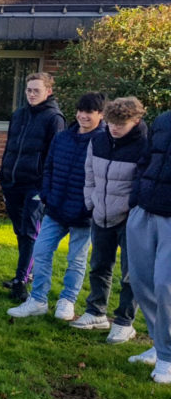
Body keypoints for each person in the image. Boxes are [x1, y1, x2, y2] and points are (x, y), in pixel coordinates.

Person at [8, 93, 107, 321]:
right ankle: (38, 300)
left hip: (84, 215)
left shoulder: (103, 142)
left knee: (77, 260)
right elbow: (49, 167)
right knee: (41, 252)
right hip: (55, 209)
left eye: (89, 112)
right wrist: (46, 195)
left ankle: (67, 301)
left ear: (100, 115)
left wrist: (91, 206)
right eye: (80, 111)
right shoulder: (63, 137)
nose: (83, 116)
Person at [72, 97, 148, 343]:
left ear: (135, 121)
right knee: (99, 266)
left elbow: (142, 183)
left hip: (129, 219)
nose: (114, 128)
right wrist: (91, 202)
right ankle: (96, 312)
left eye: (121, 124)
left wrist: (131, 210)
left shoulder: (144, 145)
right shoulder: (98, 139)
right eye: (112, 123)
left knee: (130, 273)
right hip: (100, 214)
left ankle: (124, 322)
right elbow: (89, 173)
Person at [0, 72, 66, 302]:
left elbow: (54, 157)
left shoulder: (54, 118)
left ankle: (20, 281)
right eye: (29, 90)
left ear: (48, 91)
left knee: (29, 232)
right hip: (12, 182)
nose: (32, 94)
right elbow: (9, 148)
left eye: (37, 90)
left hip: (34, 186)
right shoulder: (18, 115)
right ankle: (24, 273)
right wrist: (3, 174)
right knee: (20, 232)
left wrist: (44, 186)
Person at [125, 109, 171, 383]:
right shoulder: (163, 119)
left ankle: (167, 357)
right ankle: (159, 343)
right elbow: (145, 160)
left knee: (166, 286)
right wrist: (135, 197)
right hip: (144, 209)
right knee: (141, 282)